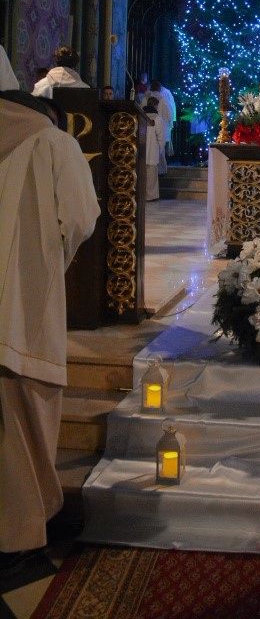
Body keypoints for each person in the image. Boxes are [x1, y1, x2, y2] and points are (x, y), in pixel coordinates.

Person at [0, 90, 100, 574]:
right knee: (24, 420)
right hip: (22, 305)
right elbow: (81, 217)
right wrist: (52, 259)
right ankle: (23, 536)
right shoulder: (54, 142)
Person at [146, 80, 172, 173]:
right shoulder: (163, 100)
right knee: (160, 149)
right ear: (160, 89)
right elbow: (169, 115)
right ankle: (161, 170)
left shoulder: (146, 98)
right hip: (161, 125)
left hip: (146, 127)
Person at [143, 96, 165, 201]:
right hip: (153, 151)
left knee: (142, 175)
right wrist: (160, 150)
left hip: (142, 152)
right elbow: (161, 138)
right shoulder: (158, 119)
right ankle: (151, 196)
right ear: (156, 105)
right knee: (152, 177)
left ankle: (142, 195)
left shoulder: (141, 117)